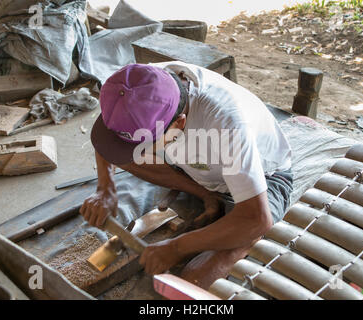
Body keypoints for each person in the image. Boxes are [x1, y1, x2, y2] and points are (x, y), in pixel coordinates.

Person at [80, 61, 293, 288]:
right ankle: (206, 195)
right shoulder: (137, 85)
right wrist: (105, 188)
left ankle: (218, 205)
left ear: (179, 123)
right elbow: (108, 140)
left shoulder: (226, 124)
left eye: (145, 143)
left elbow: (257, 219)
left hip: (264, 178)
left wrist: (177, 247)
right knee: (124, 153)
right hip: (199, 167)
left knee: (195, 279)